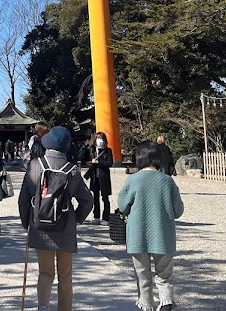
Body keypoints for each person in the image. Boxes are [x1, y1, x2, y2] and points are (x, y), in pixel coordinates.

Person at [18, 125, 93, 311]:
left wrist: (27, 222)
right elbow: (87, 200)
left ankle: (43, 306)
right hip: (65, 227)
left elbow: (24, 199)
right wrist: (76, 220)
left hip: (40, 226)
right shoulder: (72, 170)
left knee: (45, 272)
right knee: (65, 275)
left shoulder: (35, 165)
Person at [116, 140, 185, 311]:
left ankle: (146, 304)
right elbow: (178, 210)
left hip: (138, 235)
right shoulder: (167, 181)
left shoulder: (133, 180)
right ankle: (166, 301)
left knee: (143, 275)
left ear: (139, 158)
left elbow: (123, 205)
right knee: (164, 273)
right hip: (163, 235)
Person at [79, 131, 113, 224]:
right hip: (94, 176)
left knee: (105, 198)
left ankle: (106, 218)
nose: (99, 140)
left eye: (101, 138)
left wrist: (99, 162)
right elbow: (83, 158)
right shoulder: (92, 149)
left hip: (104, 176)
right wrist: (85, 147)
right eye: (98, 138)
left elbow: (109, 163)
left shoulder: (108, 150)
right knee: (95, 197)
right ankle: (96, 216)